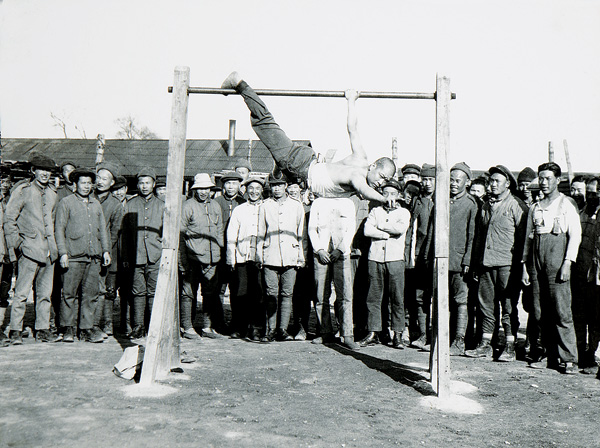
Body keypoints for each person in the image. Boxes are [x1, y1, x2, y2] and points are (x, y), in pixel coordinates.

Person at [221, 72, 396, 204]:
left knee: (275, 187)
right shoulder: (358, 176)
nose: (381, 183)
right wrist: (385, 199)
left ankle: (277, 171)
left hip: (302, 168)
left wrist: (351, 101)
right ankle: (240, 83)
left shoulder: (361, 158)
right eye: (382, 177)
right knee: (265, 124)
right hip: (299, 165)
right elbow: (364, 190)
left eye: (385, 182)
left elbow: (353, 128)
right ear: (373, 165)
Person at [522, 162, 581, 374]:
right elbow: (528, 241)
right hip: (536, 260)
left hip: (558, 260)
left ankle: (569, 358)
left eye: (548, 178)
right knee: (539, 311)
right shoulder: (535, 207)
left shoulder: (566, 204)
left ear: (558, 180)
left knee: (561, 310)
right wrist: (525, 267)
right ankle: (548, 354)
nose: (544, 182)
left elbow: (575, 236)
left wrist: (567, 262)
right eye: (541, 178)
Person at [466, 165, 528, 361]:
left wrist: (521, 266)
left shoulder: (517, 206)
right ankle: (485, 344)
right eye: (490, 181)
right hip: (486, 265)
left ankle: (510, 345)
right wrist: (476, 263)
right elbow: (478, 237)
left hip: (507, 266)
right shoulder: (485, 206)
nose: (492, 185)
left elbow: (524, 240)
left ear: (507, 184)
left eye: (496, 181)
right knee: (486, 306)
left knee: (508, 306)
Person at [3, 154, 58, 345]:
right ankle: (15, 330)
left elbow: (53, 222)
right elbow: (10, 219)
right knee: (21, 293)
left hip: (49, 251)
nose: (45, 174)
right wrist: (17, 244)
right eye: (41, 170)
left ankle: (42, 329)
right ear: (33, 171)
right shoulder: (23, 191)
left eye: (48, 171)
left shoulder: (52, 193)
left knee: (45, 294)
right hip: (28, 249)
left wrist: (55, 248)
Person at [55, 168, 111, 343]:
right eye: (83, 183)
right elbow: (59, 229)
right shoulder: (66, 202)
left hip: (93, 257)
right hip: (73, 256)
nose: (86, 186)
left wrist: (105, 250)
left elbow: (103, 230)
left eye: (89, 183)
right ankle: (68, 329)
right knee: (69, 294)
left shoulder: (95, 204)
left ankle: (86, 329)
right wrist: (63, 253)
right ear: (75, 184)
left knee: (90, 295)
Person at [359, 179, 410, 349]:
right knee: (373, 297)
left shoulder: (404, 213)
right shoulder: (375, 210)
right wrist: (386, 234)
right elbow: (367, 231)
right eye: (385, 193)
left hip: (395, 259)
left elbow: (400, 229)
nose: (389, 197)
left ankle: (397, 334)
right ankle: (373, 332)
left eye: (393, 194)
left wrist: (380, 226)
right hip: (375, 259)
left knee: (396, 298)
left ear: (399, 196)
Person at [257, 174, 305, 342]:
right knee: (271, 293)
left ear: (285, 185)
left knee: (287, 293)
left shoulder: (296, 206)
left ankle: (282, 329)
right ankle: (270, 329)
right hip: (270, 255)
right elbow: (261, 232)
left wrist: (300, 256)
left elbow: (300, 233)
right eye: (273, 185)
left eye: (279, 185)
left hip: (290, 255)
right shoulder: (265, 206)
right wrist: (259, 254)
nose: (276, 188)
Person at [308, 195, 358, 350]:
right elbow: (312, 229)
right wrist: (319, 249)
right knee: (321, 295)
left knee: (345, 295)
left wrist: (340, 249)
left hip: (341, 253)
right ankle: (324, 332)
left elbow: (351, 229)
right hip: (321, 254)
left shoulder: (347, 203)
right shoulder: (318, 202)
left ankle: (347, 334)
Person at [121, 167, 165, 339]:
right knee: (138, 291)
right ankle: (138, 326)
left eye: (148, 183)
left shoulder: (161, 205)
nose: (144, 186)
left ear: (154, 184)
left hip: (155, 255)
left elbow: (167, 231)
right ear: (137, 185)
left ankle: (153, 326)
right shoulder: (130, 205)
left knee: (153, 292)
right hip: (135, 255)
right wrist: (125, 257)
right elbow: (125, 233)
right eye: (141, 183)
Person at [180, 173, 224, 339]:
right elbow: (181, 233)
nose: (204, 192)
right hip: (192, 258)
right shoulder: (188, 206)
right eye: (200, 189)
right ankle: (187, 327)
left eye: (207, 188)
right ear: (195, 190)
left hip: (212, 259)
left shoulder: (215, 206)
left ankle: (207, 327)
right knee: (188, 293)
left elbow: (219, 230)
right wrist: (182, 260)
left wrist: (219, 252)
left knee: (210, 293)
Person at [226, 176, 266, 340]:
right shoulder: (239, 210)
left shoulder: (266, 208)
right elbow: (232, 234)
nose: (254, 192)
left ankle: (256, 328)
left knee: (258, 293)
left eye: (257, 189)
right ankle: (239, 327)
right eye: (251, 188)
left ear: (262, 190)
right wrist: (231, 257)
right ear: (246, 190)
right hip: (242, 256)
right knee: (240, 292)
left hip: (261, 258)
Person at [445, 163, 479, 356]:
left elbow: (472, 235)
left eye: (458, 180)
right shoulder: (444, 201)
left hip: (459, 262)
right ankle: (445, 336)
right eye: (451, 180)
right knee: (445, 300)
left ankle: (459, 340)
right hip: (443, 261)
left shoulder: (471, 204)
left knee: (461, 301)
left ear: (467, 182)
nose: (454, 184)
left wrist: (467, 260)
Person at [570, 176, 599, 371]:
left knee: (596, 318)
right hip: (579, 273)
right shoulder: (580, 213)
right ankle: (580, 353)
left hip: (597, 277)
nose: (590, 196)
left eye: (594, 192)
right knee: (579, 315)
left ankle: (593, 354)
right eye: (588, 192)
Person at [405, 163, 435, 349]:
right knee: (419, 297)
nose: (427, 183)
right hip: (418, 255)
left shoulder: (443, 201)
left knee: (437, 298)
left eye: (431, 179)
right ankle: (423, 335)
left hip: (435, 257)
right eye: (424, 179)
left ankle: (438, 336)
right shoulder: (418, 201)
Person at [93, 162, 124, 337]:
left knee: (108, 290)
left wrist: (104, 250)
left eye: (105, 179)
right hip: (87, 252)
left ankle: (107, 324)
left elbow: (114, 232)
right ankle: (89, 324)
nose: (100, 182)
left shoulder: (115, 205)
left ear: (112, 183)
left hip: (107, 254)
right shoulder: (88, 198)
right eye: (98, 177)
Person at [214, 171, 246, 334]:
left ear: (240, 185)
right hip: (220, 252)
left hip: (238, 253)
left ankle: (236, 324)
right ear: (223, 185)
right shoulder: (216, 202)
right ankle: (218, 323)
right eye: (228, 183)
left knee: (237, 290)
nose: (231, 187)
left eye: (234, 183)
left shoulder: (244, 202)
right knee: (218, 289)